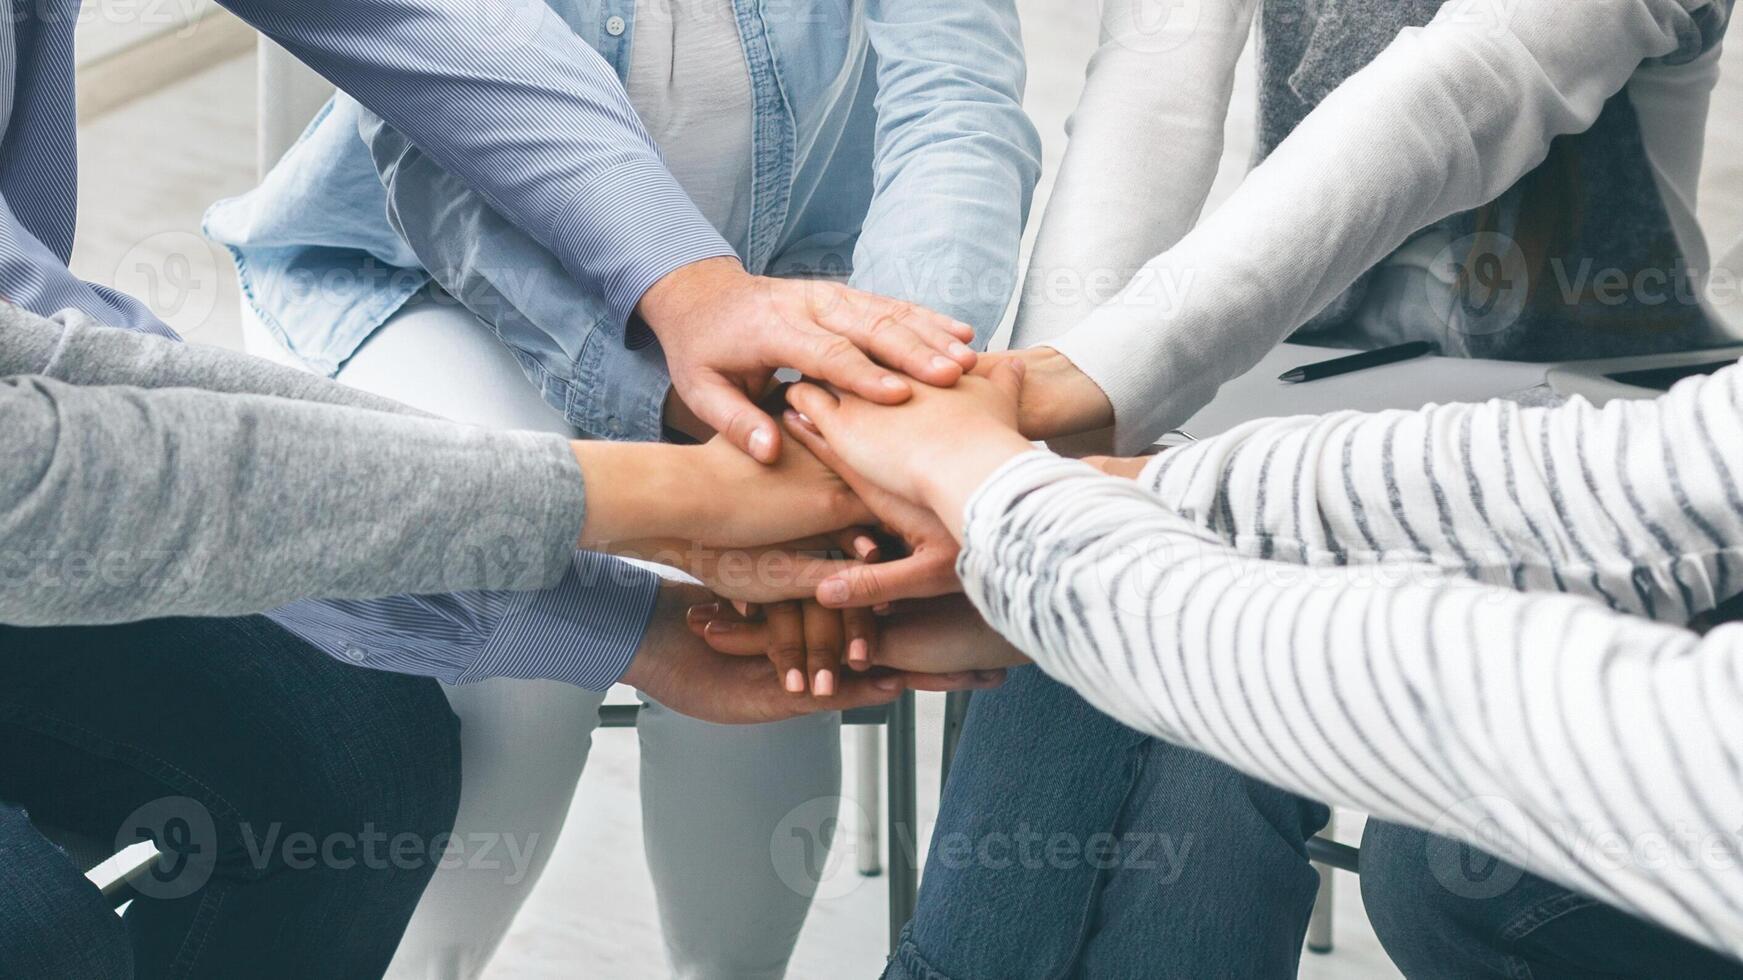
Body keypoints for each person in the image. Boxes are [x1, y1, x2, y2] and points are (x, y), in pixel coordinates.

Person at [746, 0, 1737, 975]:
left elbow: (1480, 77)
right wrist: (1038, 414)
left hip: (1588, 410)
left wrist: (1053, 407)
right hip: (1288, 365)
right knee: (1105, 528)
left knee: (1137, 565)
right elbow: (1156, 77)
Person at [0, 0, 991, 970]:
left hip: (51, 480)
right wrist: (669, 493)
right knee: (52, 934)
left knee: (365, 760)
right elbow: (58, 461)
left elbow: (424, 29)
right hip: (317, 328)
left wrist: (843, 372)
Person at [699, 347, 1743, 970]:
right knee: (1121, 526)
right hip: (1338, 385)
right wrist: (1036, 474)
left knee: (1436, 865)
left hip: (1572, 377)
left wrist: (1015, 512)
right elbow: (1662, 484)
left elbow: (1566, 726)